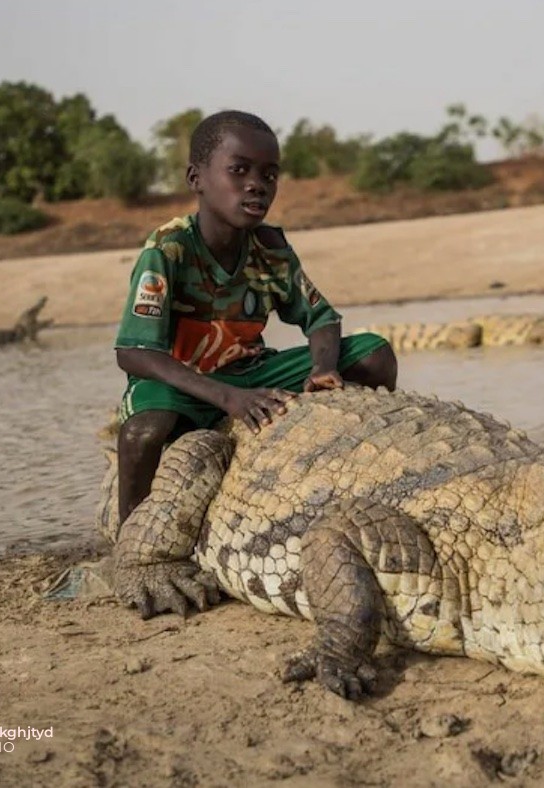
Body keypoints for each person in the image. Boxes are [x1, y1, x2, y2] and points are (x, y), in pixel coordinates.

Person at [113, 110, 397, 523]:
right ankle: (130, 535)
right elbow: (134, 353)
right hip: (183, 381)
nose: (256, 185)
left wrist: (323, 367)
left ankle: (348, 473)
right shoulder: (168, 248)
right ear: (197, 179)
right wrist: (228, 398)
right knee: (145, 431)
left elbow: (320, 317)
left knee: (375, 354)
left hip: (251, 370)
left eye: (269, 175)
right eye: (239, 170)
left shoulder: (270, 247)